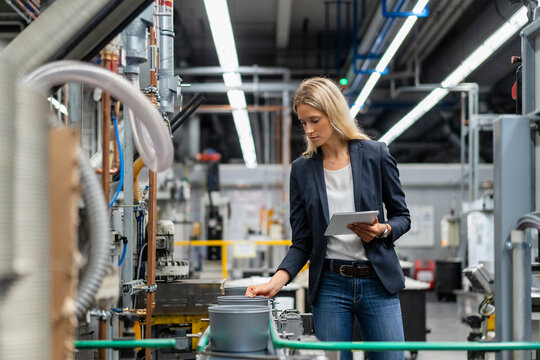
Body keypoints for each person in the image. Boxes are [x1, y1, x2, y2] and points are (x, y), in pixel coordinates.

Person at [246, 77, 411, 360]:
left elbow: (402, 217)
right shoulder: (301, 170)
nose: (308, 130)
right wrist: (277, 280)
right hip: (331, 286)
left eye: (314, 120)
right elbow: (302, 242)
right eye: (303, 123)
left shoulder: (376, 155)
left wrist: (382, 230)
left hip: (378, 283)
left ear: (334, 114)